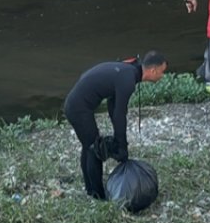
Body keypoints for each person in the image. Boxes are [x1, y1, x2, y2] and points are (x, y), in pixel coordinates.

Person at [64, 51, 168, 199]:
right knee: (94, 149)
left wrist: (120, 142)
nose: (162, 76)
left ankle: (90, 188)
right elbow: (119, 114)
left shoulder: (129, 70)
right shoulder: (128, 80)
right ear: (153, 70)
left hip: (76, 103)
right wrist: (122, 146)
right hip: (77, 107)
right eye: (162, 72)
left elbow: (112, 106)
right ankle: (97, 195)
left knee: (89, 145)